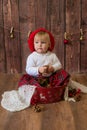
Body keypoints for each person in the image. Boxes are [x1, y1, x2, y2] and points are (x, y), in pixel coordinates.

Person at [1, 28, 87, 112]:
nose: (39, 45)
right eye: (37, 42)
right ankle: (40, 93)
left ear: (49, 44)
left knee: (63, 74)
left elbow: (59, 65)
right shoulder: (32, 56)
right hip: (36, 78)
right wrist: (38, 70)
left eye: (43, 42)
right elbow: (28, 69)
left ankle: (55, 90)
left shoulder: (52, 55)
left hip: (51, 77)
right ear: (33, 44)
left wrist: (52, 68)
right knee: (29, 84)